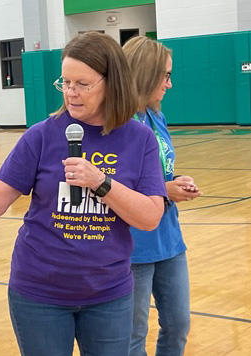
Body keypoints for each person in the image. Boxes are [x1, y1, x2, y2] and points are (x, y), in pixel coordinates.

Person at [0, 31, 167, 356]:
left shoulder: (140, 139)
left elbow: (149, 217)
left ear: (111, 82)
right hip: (39, 294)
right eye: (65, 83)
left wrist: (100, 182)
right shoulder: (42, 136)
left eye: (83, 84)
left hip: (109, 294)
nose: (71, 94)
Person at [123, 36, 202, 356]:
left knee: (178, 324)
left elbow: (158, 172)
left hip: (168, 239)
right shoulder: (116, 124)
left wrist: (176, 181)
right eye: (165, 75)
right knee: (133, 334)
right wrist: (162, 190)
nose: (169, 84)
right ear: (144, 73)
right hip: (133, 246)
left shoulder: (156, 116)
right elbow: (107, 185)